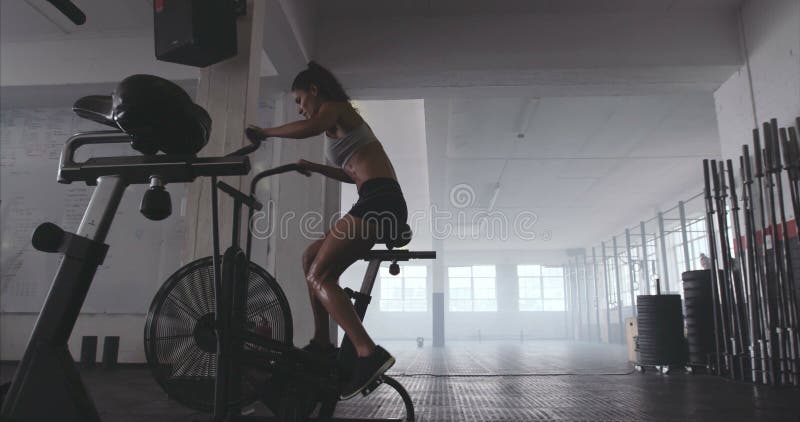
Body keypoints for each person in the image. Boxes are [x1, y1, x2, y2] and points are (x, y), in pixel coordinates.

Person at [245, 61, 407, 399]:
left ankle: (368, 352)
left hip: (379, 201)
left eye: (300, 100)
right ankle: (322, 343)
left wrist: (266, 133)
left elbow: (310, 127)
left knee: (321, 276)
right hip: (374, 198)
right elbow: (353, 174)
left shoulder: (336, 109)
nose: (301, 109)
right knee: (310, 259)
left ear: (315, 90)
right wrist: (316, 168)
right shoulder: (338, 122)